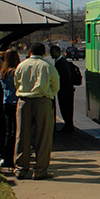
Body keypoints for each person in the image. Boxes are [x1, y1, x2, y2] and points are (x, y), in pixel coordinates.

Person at [14, 43, 59, 180]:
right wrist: (48, 94)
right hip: (42, 101)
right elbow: (55, 84)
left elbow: (16, 82)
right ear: (44, 53)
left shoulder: (22, 65)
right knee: (43, 137)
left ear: (29, 51)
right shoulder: (47, 66)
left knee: (22, 136)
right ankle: (40, 170)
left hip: (24, 101)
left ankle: (21, 168)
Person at [1, 49, 21, 170]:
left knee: (9, 132)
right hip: (16, 102)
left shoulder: (4, 72)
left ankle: (7, 158)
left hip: (6, 102)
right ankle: (15, 157)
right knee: (16, 132)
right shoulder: (16, 72)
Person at [50, 45, 75, 133]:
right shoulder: (61, 61)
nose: (51, 54)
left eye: (52, 52)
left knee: (66, 108)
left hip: (65, 90)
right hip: (65, 89)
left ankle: (68, 126)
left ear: (58, 52)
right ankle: (68, 125)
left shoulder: (61, 63)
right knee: (65, 108)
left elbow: (65, 77)